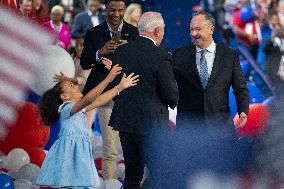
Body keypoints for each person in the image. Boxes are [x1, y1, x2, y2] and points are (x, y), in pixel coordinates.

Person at [36, 65, 139, 188]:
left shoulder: (78, 108)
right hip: (70, 155)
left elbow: (99, 101)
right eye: (71, 86)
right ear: (64, 97)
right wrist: (108, 79)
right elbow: (89, 99)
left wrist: (119, 87)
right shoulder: (66, 108)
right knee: (69, 183)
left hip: (80, 153)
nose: (76, 86)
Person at [108, 12, 179, 189]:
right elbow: (170, 93)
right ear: (156, 31)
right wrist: (172, 102)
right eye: (162, 31)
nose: (163, 34)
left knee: (132, 175)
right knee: (159, 173)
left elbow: (118, 86)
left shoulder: (121, 52)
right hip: (152, 124)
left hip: (126, 122)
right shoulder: (160, 54)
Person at [80, 0, 139, 180]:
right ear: (106, 9)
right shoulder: (94, 33)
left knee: (133, 150)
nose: (116, 14)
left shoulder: (133, 32)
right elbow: (84, 62)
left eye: (120, 10)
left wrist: (121, 62)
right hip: (106, 98)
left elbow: (138, 63)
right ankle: (110, 185)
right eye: (112, 10)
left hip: (128, 96)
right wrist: (100, 52)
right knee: (111, 151)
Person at [173, 11, 249, 131]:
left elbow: (240, 88)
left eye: (198, 29)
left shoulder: (229, 56)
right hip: (188, 131)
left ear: (211, 29)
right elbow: (168, 84)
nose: (193, 34)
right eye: (191, 29)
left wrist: (243, 110)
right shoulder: (179, 55)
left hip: (221, 130)